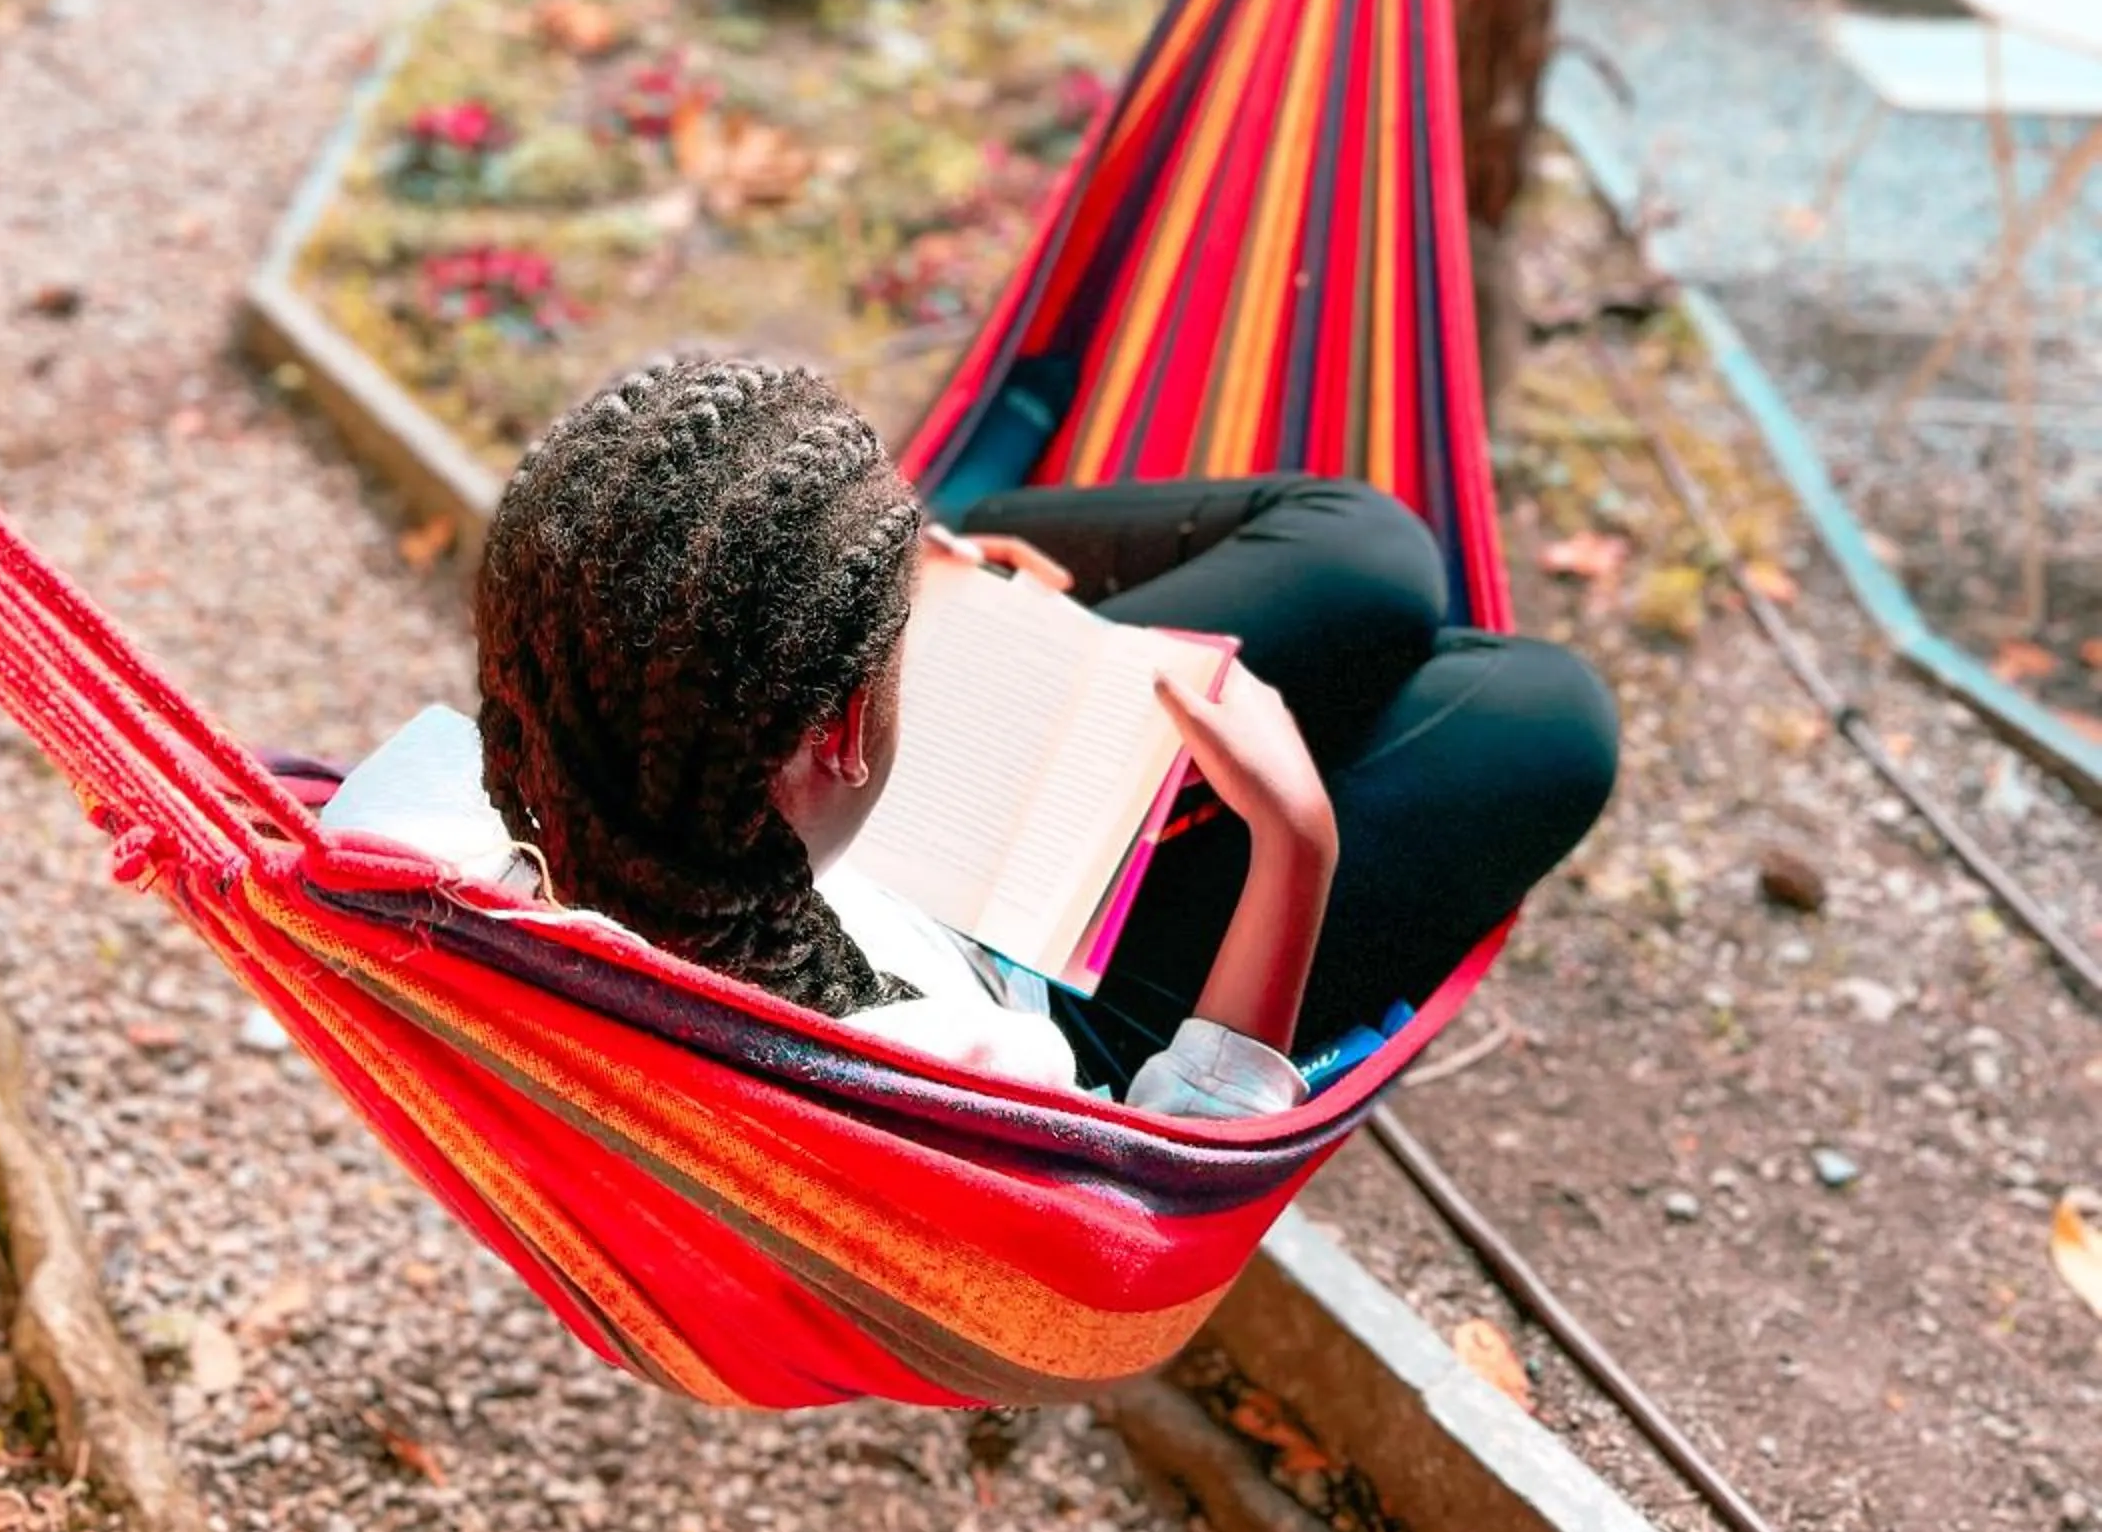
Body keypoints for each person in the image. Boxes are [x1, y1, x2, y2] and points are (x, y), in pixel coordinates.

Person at [321, 356, 1616, 1119]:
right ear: (840, 728)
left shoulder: (425, 832)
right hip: (1040, 965)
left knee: (1374, 565)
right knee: (1530, 710)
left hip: (794, 823)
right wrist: (1292, 840)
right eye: (899, 646)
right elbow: (1157, 1171)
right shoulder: (963, 1064)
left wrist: (840, 621)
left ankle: (896, 570)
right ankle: (930, 573)